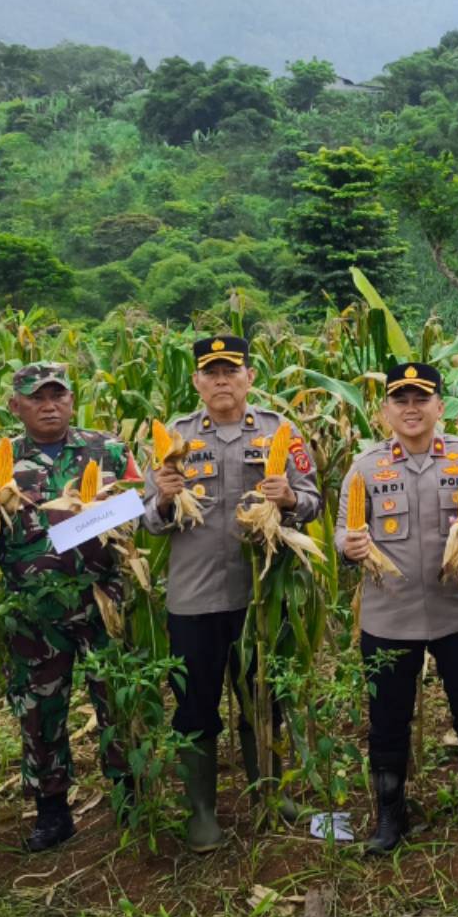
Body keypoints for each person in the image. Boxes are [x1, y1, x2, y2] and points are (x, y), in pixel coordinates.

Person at [141, 334, 321, 853]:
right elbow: (150, 522)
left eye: (231, 370)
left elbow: (312, 500)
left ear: (249, 377)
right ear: (196, 381)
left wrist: (290, 498)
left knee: (262, 698)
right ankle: (201, 811)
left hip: (260, 595)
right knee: (194, 707)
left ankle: (269, 793)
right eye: (211, 371)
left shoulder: (279, 432)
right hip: (193, 599)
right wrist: (166, 500)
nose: (222, 379)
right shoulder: (173, 436)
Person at [0, 363, 141, 852]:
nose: (50, 405)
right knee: (39, 712)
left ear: (72, 400)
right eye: (37, 397)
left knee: (117, 700)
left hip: (103, 599)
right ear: (16, 406)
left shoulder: (108, 449)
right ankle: (52, 811)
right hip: (33, 611)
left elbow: (140, 509)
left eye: (58, 396)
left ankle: (128, 797)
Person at [336, 362, 458, 854]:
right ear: (385, 409)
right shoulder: (365, 467)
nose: (410, 408)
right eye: (400, 399)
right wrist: (350, 548)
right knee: (387, 717)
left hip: (457, 611)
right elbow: (343, 529)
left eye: (420, 398)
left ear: (438, 406)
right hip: (390, 616)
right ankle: (390, 814)